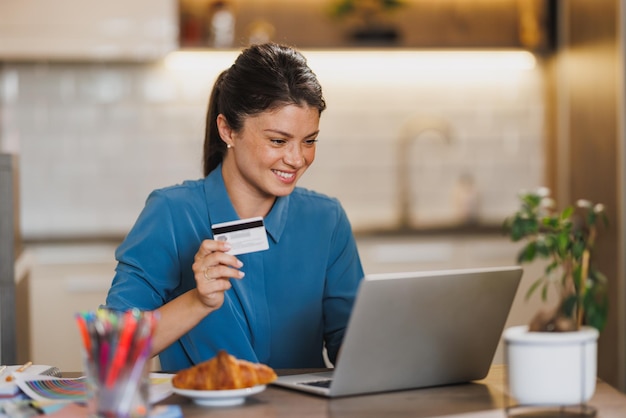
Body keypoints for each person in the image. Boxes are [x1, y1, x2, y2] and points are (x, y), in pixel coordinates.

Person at [104, 43, 364, 372]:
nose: (298, 159)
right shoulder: (171, 213)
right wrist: (198, 301)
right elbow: (113, 350)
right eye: (278, 141)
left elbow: (351, 340)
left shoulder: (326, 220)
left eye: (309, 141)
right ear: (227, 129)